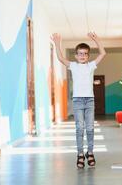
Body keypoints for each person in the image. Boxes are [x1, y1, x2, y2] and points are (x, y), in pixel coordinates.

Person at [51, 32, 106, 168]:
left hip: (89, 101)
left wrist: (97, 40)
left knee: (90, 128)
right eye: (80, 53)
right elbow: (60, 58)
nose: (82, 56)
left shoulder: (91, 66)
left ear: (88, 56)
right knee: (79, 128)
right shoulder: (73, 66)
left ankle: (91, 152)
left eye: (85, 54)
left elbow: (103, 53)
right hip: (77, 101)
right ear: (76, 55)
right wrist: (57, 44)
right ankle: (80, 154)